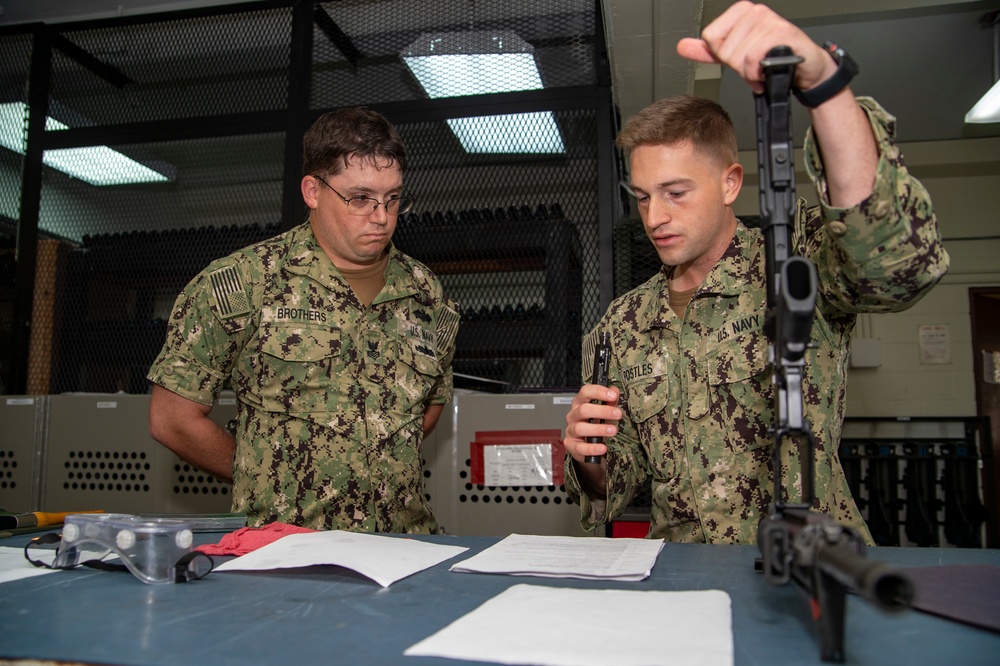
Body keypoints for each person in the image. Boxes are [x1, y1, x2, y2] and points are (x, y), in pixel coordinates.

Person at [563, 2, 949, 544]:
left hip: (806, 569)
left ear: (729, 183)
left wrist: (824, 86)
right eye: (643, 197)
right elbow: (616, 482)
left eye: (675, 193)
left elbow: (897, 265)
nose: (655, 217)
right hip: (683, 582)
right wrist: (588, 455)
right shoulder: (623, 322)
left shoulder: (793, 267)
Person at [147, 107, 460, 533]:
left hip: (403, 544)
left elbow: (430, 404)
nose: (382, 217)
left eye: (393, 198)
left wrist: (368, 458)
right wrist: (263, 477)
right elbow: (172, 419)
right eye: (361, 198)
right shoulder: (243, 284)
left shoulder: (427, 293)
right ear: (313, 191)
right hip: (285, 549)